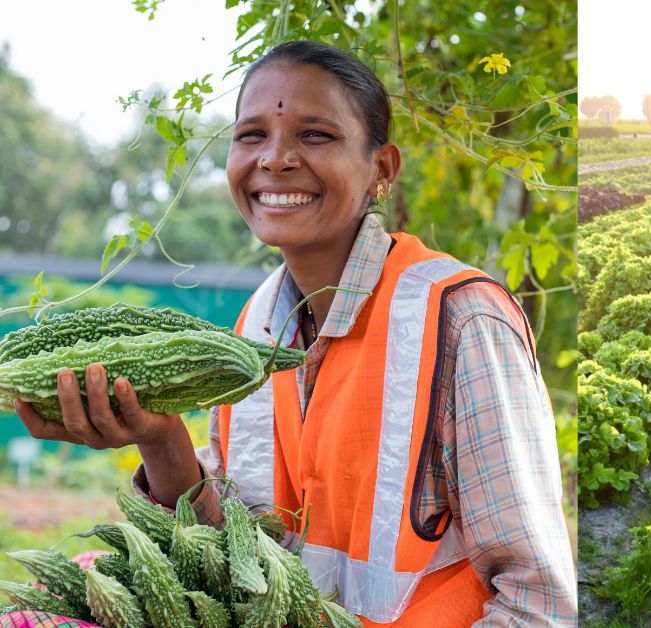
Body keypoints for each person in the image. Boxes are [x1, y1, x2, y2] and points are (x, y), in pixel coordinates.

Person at [11, 40, 576, 627]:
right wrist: (160, 439)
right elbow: (240, 560)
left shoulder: (461, 318)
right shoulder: (253, 326)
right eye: (251, 135)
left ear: (381, 170)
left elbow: (541, 604)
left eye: (316, 135)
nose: (275, 159)